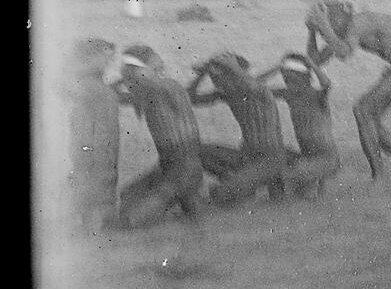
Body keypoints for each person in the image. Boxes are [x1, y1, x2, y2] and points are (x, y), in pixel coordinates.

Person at [306, 0, 391, 181]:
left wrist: (323, 26)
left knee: (363, 111)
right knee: (367, 117)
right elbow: (315, 61)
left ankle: (381, 175)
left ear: (340, 18)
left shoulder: (359, 24)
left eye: (330, 23)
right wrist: (312, 31)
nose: (327, 31)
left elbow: (343, 53)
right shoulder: (344, 29)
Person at [111, 45, 206, 229]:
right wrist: (127, 76)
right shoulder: (146, 93)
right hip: (169, 169)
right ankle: (189, 204)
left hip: (184, 169)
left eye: (134, 70)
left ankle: (186, 202)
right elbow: (113, 93)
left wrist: (137, 73)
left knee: (130, 221)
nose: (130, 75)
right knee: (128, 195)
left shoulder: (168, 87)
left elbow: (155, 85)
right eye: (127, 71)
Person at [190, 52, 289, 207]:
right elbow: (192, 98)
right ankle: (243, 183)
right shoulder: (229, 94)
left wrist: (233, 68)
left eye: (218, 77)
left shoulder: (260, 91)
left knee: (220, 195)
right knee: (194, 151)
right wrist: (201, 74)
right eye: (214, 78)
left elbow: (250, 85)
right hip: (248, 156)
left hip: (271, 159)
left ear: (233, 75)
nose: (216, 82)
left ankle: (248, 184)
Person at [259, 53, 339, 199]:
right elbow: (255, 87)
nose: (287, 82)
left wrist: (312, 65)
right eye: (285, 78)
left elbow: (327, 84)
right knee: (271, 166)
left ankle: (310, 185)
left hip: (326, 159)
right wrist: (277, 68)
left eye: (290, 78)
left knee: (283, 178)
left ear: (303, 77)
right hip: (307, 157)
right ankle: (310, 186)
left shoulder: (315, 95)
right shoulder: (289, 94)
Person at [65, 37, 121, 231]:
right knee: (96, 188)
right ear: (89, 57)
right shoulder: (88, 84)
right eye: (105, 56)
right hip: (96, 148)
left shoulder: (93, 84)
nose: (110, 62)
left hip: (99, 147)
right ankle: (94, 229)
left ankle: (93, 227)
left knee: (96, 188)